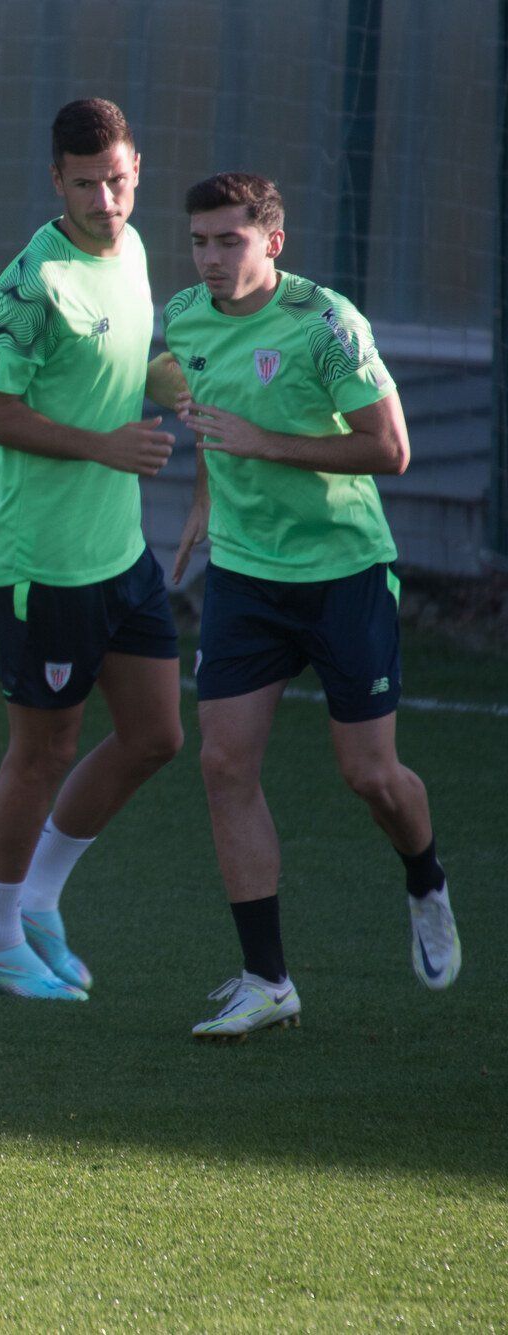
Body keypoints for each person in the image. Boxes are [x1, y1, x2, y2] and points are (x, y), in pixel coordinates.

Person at [162, 172, 459, 1039]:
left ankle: (426, 878)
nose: (213, 259)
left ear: (272, 243)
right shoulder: (185, 316)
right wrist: (204, 501)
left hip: (343, 572)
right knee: (224, 765)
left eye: (230, 241)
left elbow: (391, 448)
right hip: (247, 579)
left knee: (371, 774)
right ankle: (268, 979)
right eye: (201, 242)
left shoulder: (327, 323)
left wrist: (270, 445)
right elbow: (206, 412)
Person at [0, 98, 189, 1000]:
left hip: (118, 550)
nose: (107, 199)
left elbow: (124, 364)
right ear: (57, 180)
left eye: (121, 180)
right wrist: (106, 444)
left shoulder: (131, 250)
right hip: (42, 562)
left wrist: (183, 389)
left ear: (139, 170)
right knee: (42, 752)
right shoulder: (32, 281)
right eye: (88, 183)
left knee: (156, 734)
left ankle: (41, 901)